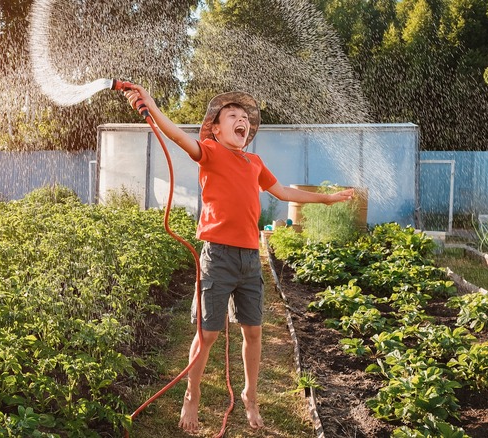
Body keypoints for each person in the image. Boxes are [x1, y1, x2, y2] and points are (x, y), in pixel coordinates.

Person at [124, 85, 355, 433]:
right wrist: (151, 104)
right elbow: (174, 134)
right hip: (217, 256)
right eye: (232, 115)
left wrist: (328, 199)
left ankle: (249, 394)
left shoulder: (255, 162)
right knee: (208, 333)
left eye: (245, 118)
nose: (242, 119)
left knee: (254, 332)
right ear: (216, 128)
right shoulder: (210, 151)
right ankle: (193, 393)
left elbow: (283, 191)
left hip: (250, 258)